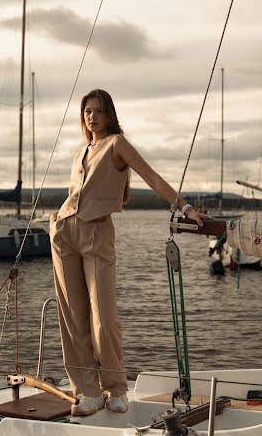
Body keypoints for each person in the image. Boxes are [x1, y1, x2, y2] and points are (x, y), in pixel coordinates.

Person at [49, 89, 208, 417]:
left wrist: (185, 207)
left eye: (98, 111)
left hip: (97, 232)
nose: (92, 117)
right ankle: (87, 392)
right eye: (87, 111)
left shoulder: (116, 144)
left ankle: (116, 387)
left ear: (109, 114)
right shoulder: (81, 150)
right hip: (64, 233)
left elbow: (151, 176)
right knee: (73, 318)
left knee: (104, 317)